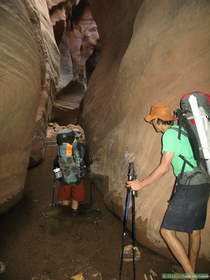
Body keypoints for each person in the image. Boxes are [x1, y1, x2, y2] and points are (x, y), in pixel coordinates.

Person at [126, 103, 210, 276]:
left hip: (189, 185)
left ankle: (190, 276)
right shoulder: (184, 131)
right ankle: (191, 270)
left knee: (166, 232)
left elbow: (164, 167)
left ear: (158, 121)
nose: (152, 124)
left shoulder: (170, 135)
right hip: (203, 183)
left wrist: (140, 184)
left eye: (152, 121)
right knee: (195, 231)